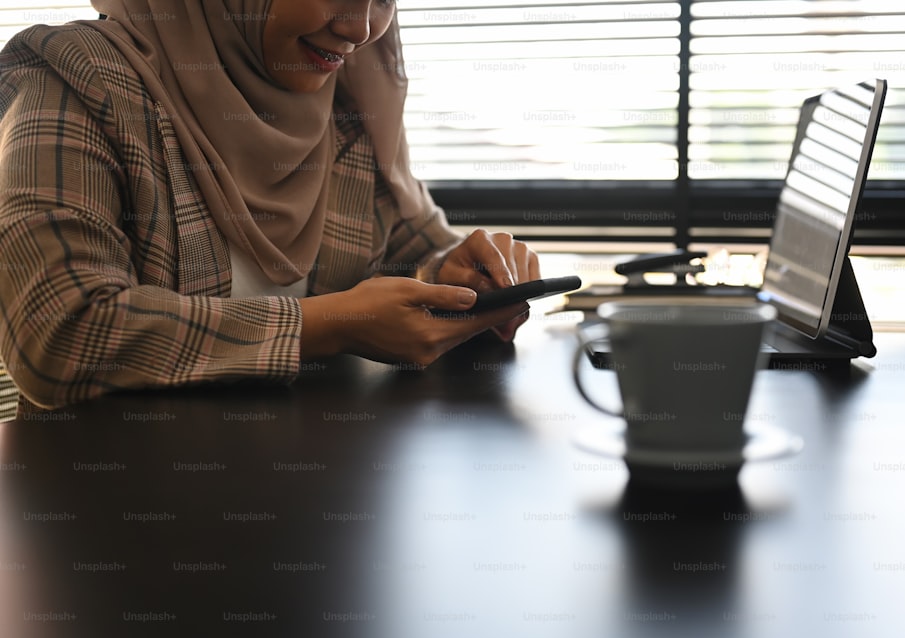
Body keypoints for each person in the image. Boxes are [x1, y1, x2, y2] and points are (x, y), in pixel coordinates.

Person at [0, 0, 540, 412]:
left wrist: (455, 274)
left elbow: (415, 244)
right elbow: (58, 331)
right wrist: (327, 326)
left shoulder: (351, 99)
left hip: (314, 510)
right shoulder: (78, 77)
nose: (360, 27)